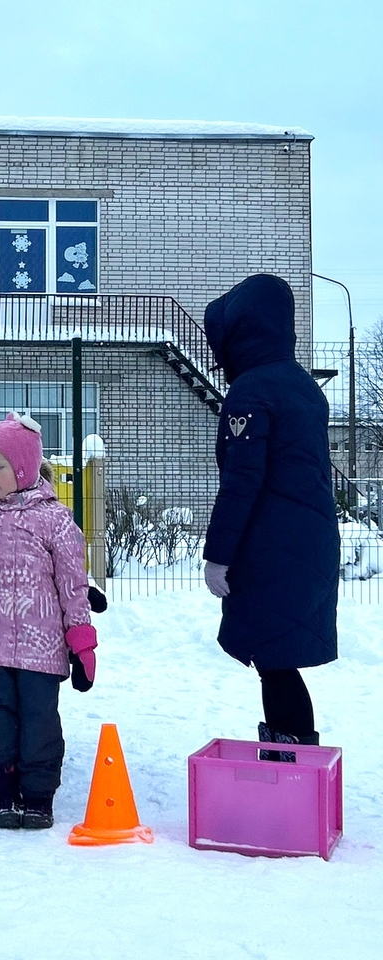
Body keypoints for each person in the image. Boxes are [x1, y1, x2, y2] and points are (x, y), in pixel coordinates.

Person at [202, 274, 338, 753]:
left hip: (271, 548)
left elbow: (243, 482)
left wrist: (218, 556)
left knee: (273, 657)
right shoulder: (304, 387)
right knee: (277, 656)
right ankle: (293, 756)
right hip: (310, 541)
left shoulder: (251, 391)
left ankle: (291, 762)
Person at [0, 413, 94, 830]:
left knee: (39, 720)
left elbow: (72, 584)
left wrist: (81, 643)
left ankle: (39, 796)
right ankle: (3, 793)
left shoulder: (55, 519)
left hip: (41, 647)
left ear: (23, 468)